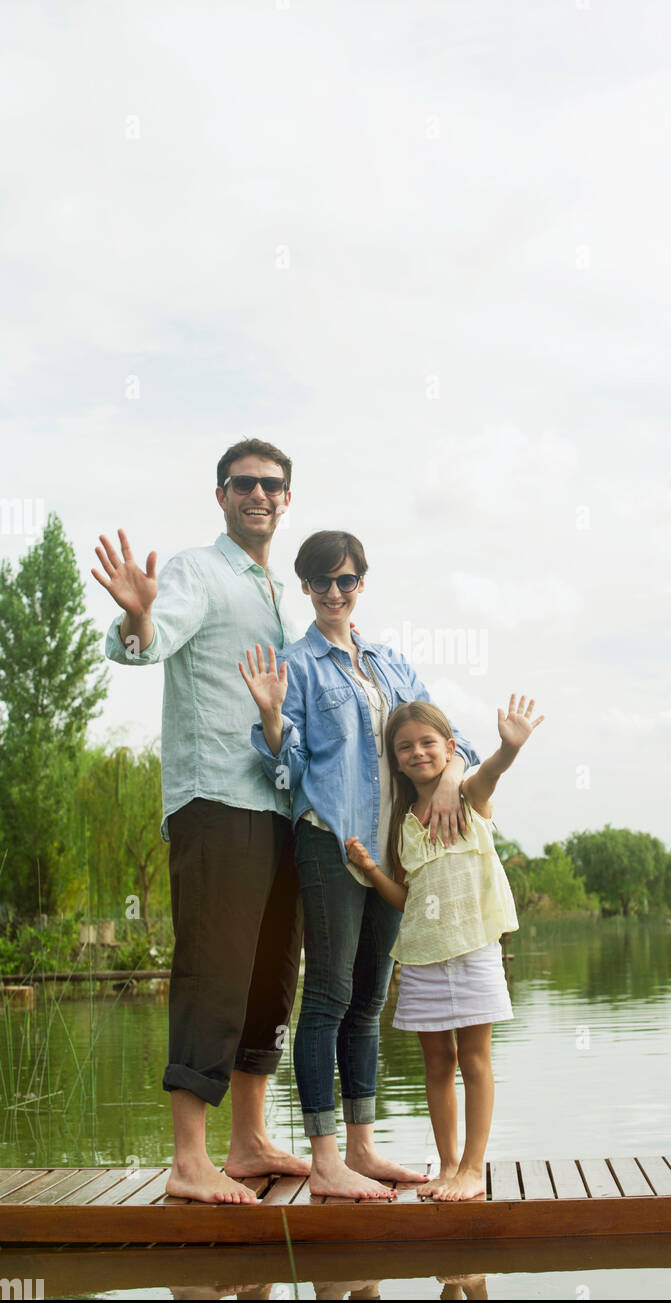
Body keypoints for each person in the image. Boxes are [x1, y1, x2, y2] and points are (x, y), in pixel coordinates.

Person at [92, 439, 309, 1205]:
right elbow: (146, 645)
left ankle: (248, 1142)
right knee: (214, 973)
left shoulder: (281, 593)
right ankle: (190, 1159)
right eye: (245, 483)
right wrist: (138, 620)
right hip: (217, 800)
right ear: (221, 494)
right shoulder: (197, 571)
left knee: (269, 979)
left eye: (273, 485)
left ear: (288, 498)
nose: (260, 495)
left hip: (280, 805)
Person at [240, 529, 480, 1199]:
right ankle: (324, 1161)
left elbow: (450, 738)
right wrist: (268, 717)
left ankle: (362, 1148)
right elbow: (281, 767)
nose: (335, 594)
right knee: (329, 996)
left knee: (370, 999)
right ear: (307, 588)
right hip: (329, 841)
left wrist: (450, 777)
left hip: (392, 853)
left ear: (361, 585)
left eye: (346, 581)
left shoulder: (391, 664)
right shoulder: (297, 666)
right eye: (322, 583)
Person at [345, 694, 543, 1201]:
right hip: (421, 955)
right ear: (395, 759)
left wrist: (508, 749)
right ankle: (449, 1165)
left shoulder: (468, 796)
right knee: (437, 1063)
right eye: (404, 747)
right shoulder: (403, 823)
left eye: (427, 742)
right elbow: (405, 898)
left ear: (450, 747)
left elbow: (491, 775)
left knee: (475, 1060)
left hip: (473, 947)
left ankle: (474, 1168)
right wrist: (372, 872)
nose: (417, 753)